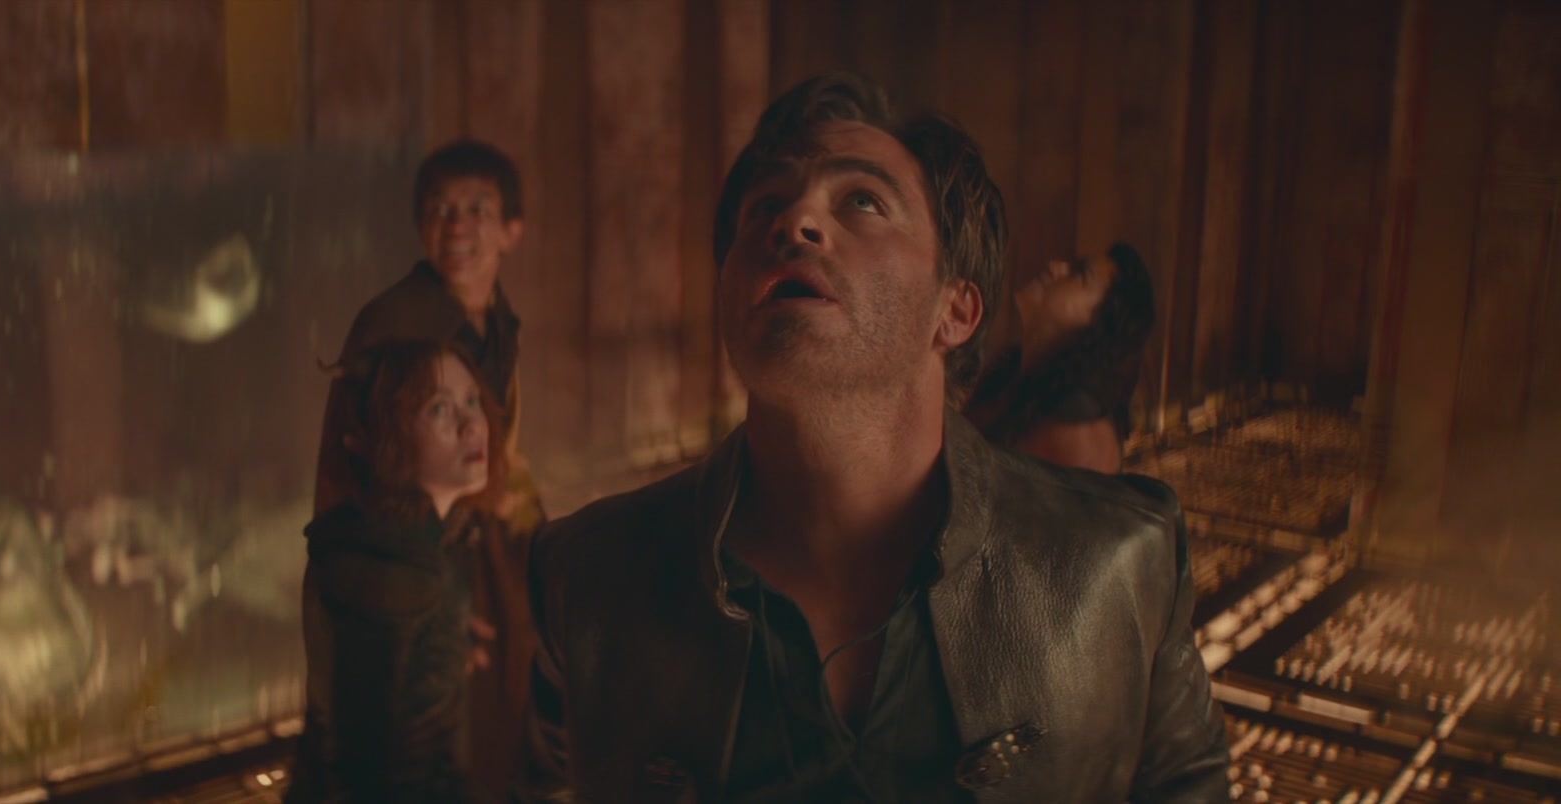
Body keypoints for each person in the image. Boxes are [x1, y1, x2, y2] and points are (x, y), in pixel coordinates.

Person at [516, 72, 1228, 802]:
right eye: (765, 204)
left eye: (862, 200)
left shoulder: (1121, 564)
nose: (794, 220)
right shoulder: (591, 578)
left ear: (955, 310)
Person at [311, 139, 543, 793]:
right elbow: (348, 469)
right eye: (440, 209)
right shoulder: (396, 325)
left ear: (512, 229)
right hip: (401, 564)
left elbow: (502, 444)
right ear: (420, 225)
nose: (457, 226)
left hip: (474, 544)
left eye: (477, 209)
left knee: (499, 709)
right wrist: (407, 593)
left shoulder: (497, 320)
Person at [290, 339, 508, 803]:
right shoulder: (395, 570)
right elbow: (387, 777)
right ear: (385, 435)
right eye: (438, 409)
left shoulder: (382, 546)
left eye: (472, 400)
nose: (472, 423)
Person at [965, 242, 1157, 474]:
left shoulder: (1079, 433)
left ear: (1101, 324)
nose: (1055, 266)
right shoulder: (1011, 376)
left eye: (1079, 274)